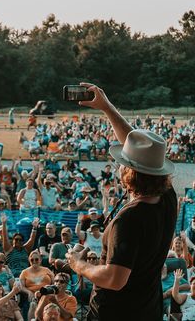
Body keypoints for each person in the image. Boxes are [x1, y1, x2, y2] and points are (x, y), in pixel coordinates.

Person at [64, 83, 178, 320]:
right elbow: (140, 148)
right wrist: (107, 107)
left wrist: (79, 265)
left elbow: (115, 280)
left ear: (129, 172)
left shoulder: (130, 219)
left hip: (116, 312)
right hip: (148, 310)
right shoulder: (167, 198)